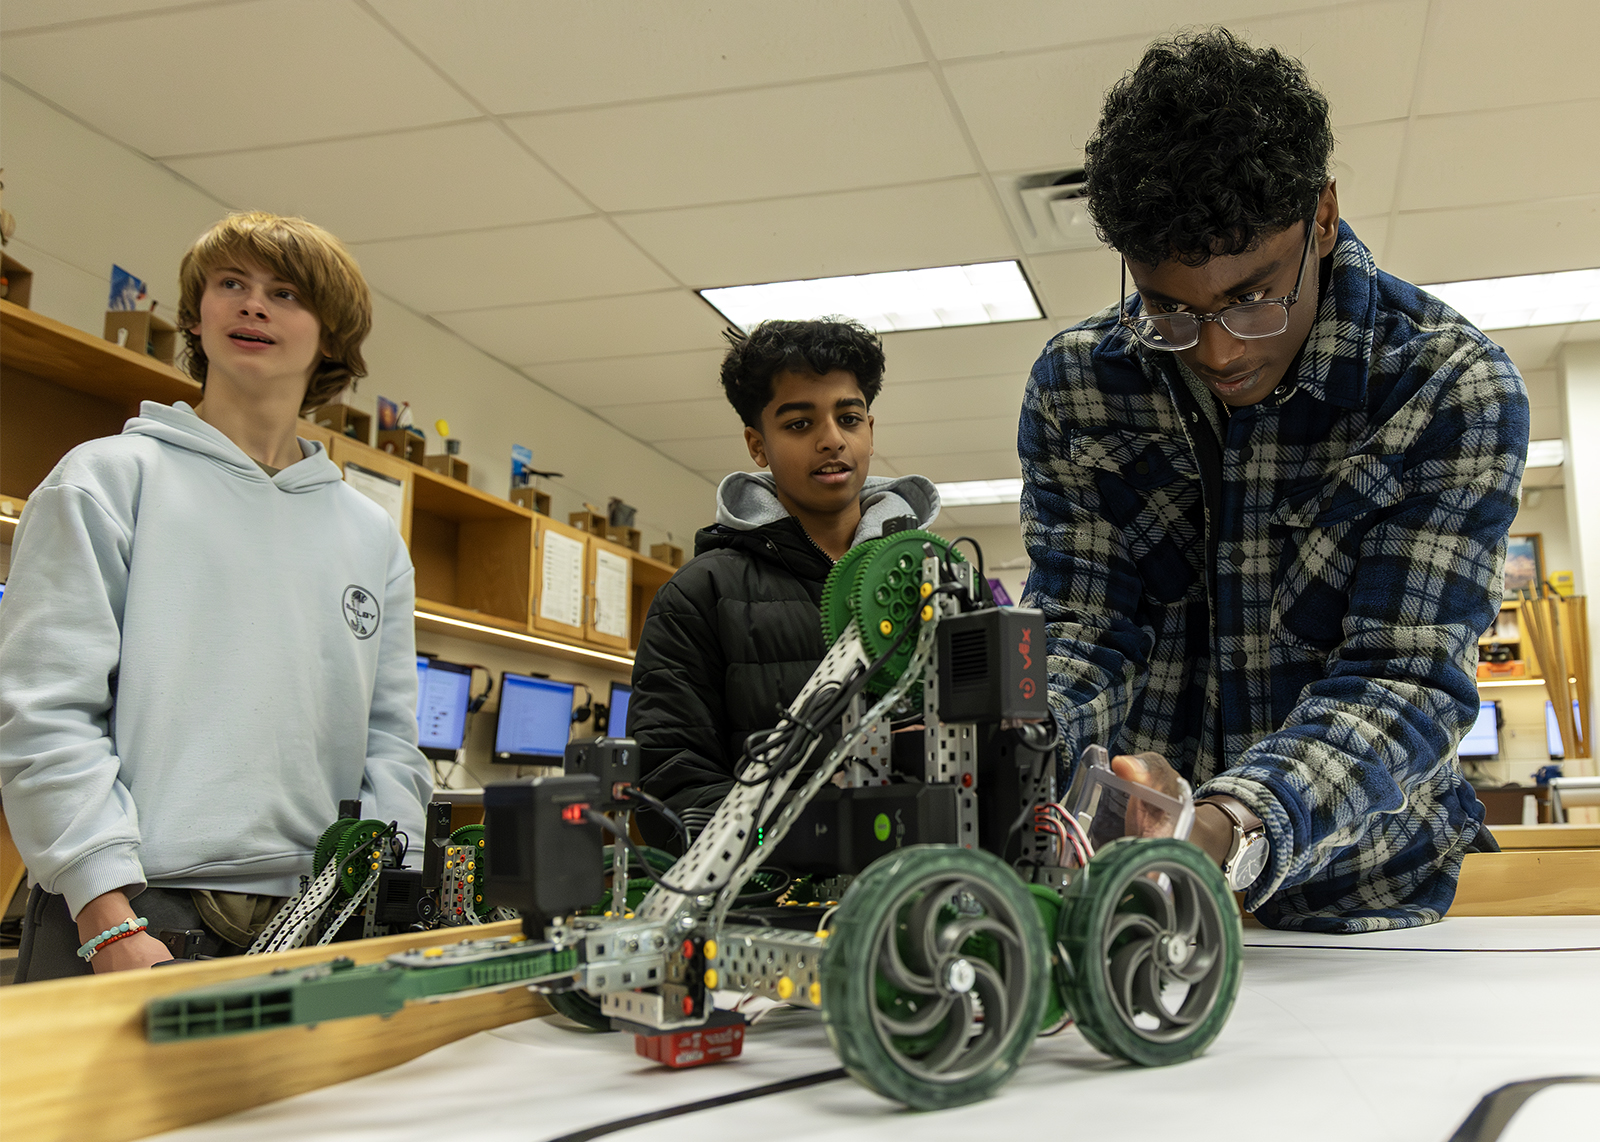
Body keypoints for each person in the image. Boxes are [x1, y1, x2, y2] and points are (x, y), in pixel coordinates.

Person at [1019, 30, 1527, 931]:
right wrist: (1012, 750)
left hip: (1359, 894)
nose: (1217, 349)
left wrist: (1230, 824)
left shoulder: (1447, 388)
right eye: (1171, 307)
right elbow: (1087, 629)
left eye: (1252, 296)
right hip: (1137, 895)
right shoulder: (1080, 386)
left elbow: (1404, 677)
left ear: (1322, 215)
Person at [0, 212, 431, 978]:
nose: (252, 305)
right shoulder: (106, 480)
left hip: (320, 916)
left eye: (284, 292)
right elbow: (44, 710)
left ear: (330, 336)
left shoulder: (371, 537)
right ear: (197, 317)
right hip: (135, 912)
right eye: (229, 284)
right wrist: (107, 919)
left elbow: (392, 746)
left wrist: (387, 897)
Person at [629, 319, 939, 848]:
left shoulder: (935, 578)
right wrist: (805, 843)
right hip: (769, 907)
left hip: (928, 891)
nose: (832, 440)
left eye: (849, 418)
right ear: (757, 444)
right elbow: (670, 787)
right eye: (799, 424)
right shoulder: (699, 594)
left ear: (870, 428)